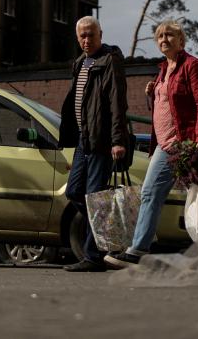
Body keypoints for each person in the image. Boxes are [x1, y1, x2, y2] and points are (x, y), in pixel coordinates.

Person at [105, 20, 198, 268]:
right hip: (163, 144)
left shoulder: (192, 66)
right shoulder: (163, 69)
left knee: (182, 196)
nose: (164, 39)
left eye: (169, 35)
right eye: (159, 36)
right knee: (180, 195)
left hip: (183, 143)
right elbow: (167, 107)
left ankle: (138, 250)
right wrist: (151, 93)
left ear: (181, 40)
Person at [59, 15, 129, 272]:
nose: (87, 40)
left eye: (91, 34)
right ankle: (102, 235)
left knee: (94, 196)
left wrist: (117, 140)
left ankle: (93, 256)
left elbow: (117, 102)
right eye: (82, 36)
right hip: (82, 139)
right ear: (77, 38)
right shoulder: (80, 62)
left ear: (101, 34)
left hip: (100, 140)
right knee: (75, 192)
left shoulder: (109, 60)